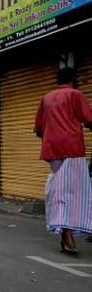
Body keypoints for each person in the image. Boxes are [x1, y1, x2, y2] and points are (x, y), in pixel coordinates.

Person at [33, 67, 92, 255]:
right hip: (72, 149)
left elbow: (38, 128)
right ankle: (67, 236)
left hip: (52, 151)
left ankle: (64, 234)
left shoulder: (46, 98)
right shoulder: (75, 95)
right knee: (74, 193)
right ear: (73, 79)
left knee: (59, 190)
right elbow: (89, 119)